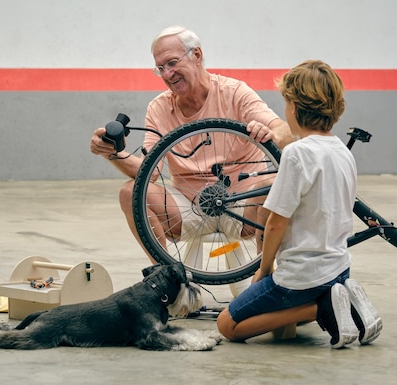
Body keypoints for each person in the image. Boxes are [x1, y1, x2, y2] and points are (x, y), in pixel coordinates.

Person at [90, 26, 294, 262]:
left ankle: (264, 275)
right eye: (160, 68)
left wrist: (269, 132)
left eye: (173, 63)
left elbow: (285, 131)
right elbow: (150, 173)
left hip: (241, 204)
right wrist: (113, 153)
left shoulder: (234, 92)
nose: (167, 74)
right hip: (188, 207)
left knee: (273, 183)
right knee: (130, 192)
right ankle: (167, 278)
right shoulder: (159, 108)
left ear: (196, 55)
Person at [216, 60, 382, 348]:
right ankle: (338, 299)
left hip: (300, 276)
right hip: (339, 269)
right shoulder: (344, 152)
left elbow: (276, 221)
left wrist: (264, 269)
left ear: (293, 106)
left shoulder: (296, 154)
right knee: (289, 303)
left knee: (228, 326)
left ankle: (320, 309)